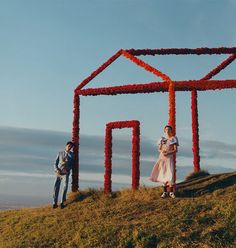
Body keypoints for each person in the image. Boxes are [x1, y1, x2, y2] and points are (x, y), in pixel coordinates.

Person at [149, 125, 179, 199]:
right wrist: (162, 151)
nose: (167, 131)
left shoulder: (173, 138)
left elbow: (175, 150)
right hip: (162, 158)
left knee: (170, 173)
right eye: (166, 129)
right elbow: (159, 149)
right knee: (162, 173)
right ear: (164, 130)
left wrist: (168, 152)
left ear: (171, 131)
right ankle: (165, 192)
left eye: (169, 129)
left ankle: (171, 192)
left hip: (169, 158)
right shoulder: (162, 139)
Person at [53, 141, 75, 209]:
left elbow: (72, 165)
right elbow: (55, 163)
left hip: (65, 173)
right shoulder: (60, 153)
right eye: (68, 146)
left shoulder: (72, 155)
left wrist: (68, 169)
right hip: (58, 172)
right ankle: (54, 203)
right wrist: (57, 170)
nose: (69, 147)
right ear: (66, 146)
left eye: (71, 147)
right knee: (56, 187)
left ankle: (62, 202)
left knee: (65, 186)